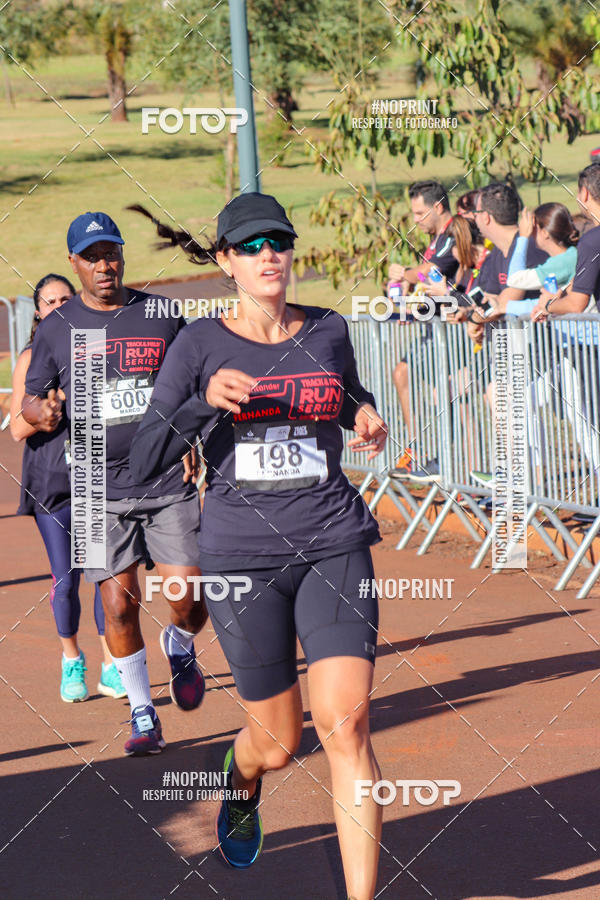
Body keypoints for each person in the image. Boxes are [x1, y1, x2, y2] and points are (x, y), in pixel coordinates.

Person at [130, 193, 388, 899]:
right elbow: (146, 452)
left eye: (277, 240)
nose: (267, 253)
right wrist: (200, 399)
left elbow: (344, 395)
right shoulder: (199, 345)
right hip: (242, 557)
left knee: (348, 721)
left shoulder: (329, 330)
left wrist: (365, 415)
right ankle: (238, 779)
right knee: (279, 743)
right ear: (225, 262)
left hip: (334, 539)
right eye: (249, 245)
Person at [21, 212, 208, 756]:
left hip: (165, 477)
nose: (105, 265)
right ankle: (144, 714)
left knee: (189, 595)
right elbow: (32, 396)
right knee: (119, 605)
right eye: (92, 256)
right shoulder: (58, 328)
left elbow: (194, 380)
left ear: (122, 256)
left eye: (112, 253)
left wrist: (194, 437)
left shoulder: (162, 315)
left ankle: (179, 643)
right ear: (74, 264)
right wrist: (43, 409)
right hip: (97, 490)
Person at [11, 274, 125, 704]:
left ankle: (112, 666)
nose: (59, 306)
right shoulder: (29, 358)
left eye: (65, 298)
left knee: (103, 576)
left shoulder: (95, 347)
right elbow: (18, 430)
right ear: (38, 312)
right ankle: (70, 659)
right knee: (66, 579)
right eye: (50, 301)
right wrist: (44, 415)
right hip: (51, 483)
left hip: (95, 477)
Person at [389, 181, 459, 479]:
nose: (415, 220)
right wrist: (407, 297)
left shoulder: (456, 233)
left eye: (419, 213)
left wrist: (403, 273)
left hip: (456, 330)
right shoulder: (434, 239)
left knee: (447, 393)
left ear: (438, 207)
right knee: (402, 372)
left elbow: (430, 273)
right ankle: (417, 448)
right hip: (434, 328)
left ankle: (454, 463)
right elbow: (424, 280)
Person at [531, 163, 600, 320]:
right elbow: (577, 284)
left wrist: (547, 305)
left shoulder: (592, 242)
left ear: (585, 194)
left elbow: (576, 304)